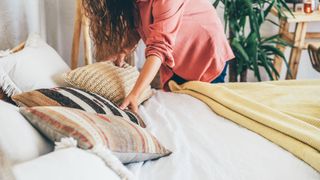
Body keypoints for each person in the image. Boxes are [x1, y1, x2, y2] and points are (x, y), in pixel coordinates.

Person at [82, 0, 234, 113]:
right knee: (184, 110)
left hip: (206, 54)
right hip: (178, 60)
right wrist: (123, 51)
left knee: (207, 110)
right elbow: (137, 28)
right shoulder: (136, 3)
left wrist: (135, 94)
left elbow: (159, 47)